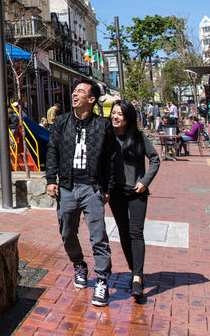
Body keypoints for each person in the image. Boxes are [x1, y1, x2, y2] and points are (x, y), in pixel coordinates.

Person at [45, 78, 114, 307]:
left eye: (80, 91)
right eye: (74, 90)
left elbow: (111, 159)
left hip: (92, 187)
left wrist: (108, 188)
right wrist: (50, 179)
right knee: (67, 232)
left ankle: (102, 279)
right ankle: (79, 265)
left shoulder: (102, 125)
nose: (75, 94)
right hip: (66, 187)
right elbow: (52, 151)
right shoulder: (62, 122)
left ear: (91, 99)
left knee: (98, 237)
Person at [107, 99, 160, 298]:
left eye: (119, 113)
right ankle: (134, 268)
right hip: (116, 192)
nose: (115, 116)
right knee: (123, 231)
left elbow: (155, 159)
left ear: (128, 118)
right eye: (113, 113)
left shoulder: (138, 137)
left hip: (137, 192)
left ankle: (137, 276)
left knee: (136, 232)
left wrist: (145, 181)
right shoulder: (108, 137)